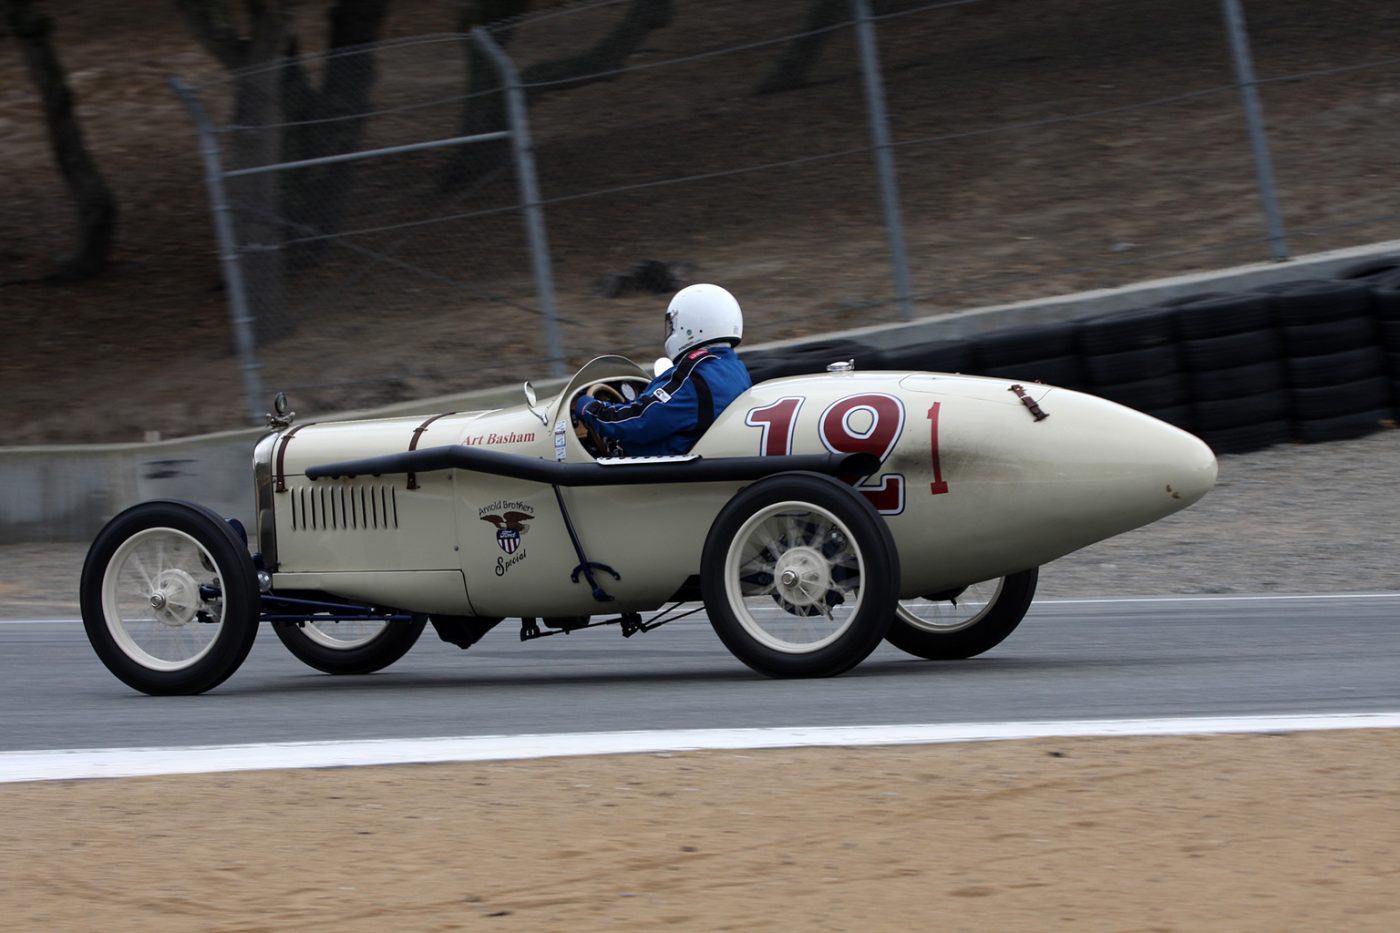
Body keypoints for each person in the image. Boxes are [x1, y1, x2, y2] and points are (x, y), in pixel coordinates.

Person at [573, 283, 752, 458]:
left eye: (672, 325)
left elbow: (641, 419)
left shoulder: (694, 375)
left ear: (691, 326)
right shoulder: (734, 367)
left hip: (660, 476)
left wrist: (591, 409)